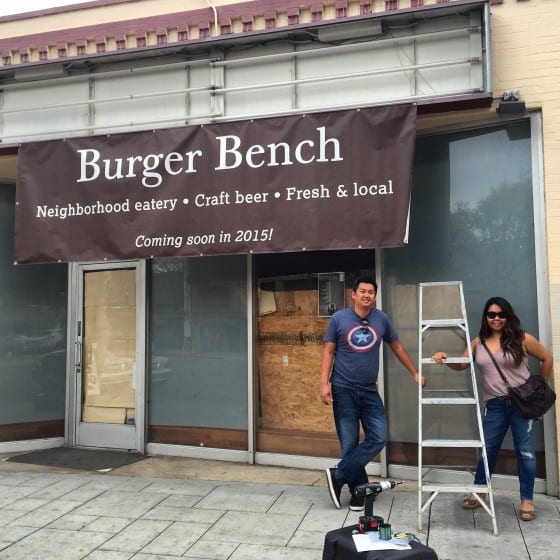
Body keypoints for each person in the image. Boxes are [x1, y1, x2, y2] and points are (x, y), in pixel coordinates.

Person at [432, 296, 553, 522]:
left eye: (501, 314)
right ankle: (480, 491)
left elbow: (547, 358)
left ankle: (527, 499)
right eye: (491, 314)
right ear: (486, 317)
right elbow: (461, 364)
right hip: (495, 405)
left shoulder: (522, 339)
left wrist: (540, 388)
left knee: (525, 452)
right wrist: (444, 357)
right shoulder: (479, 342)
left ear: (508, 316)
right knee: (487, 450)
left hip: (521, 405)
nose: (496, 318)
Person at [320, 276, 425, 511]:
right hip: (343, 388)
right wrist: (323, 383)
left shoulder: (381, 319)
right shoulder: (339, 319)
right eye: (363, 291)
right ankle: (358, 492)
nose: (367, 295)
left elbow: (396, 345)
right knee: (349, 444)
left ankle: (338, 475)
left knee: (378, 438)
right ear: (353, 294)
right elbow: (328, 352)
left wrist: (414, 372)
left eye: (371, 292)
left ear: (375, 296)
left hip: (369, 390)